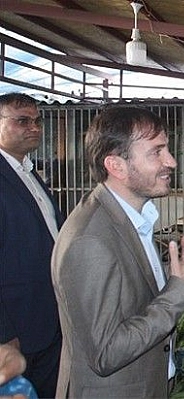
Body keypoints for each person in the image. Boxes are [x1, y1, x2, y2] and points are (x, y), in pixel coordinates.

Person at [51, 106, 184, 398]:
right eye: (156, 152)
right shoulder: (90, 241)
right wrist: (179, 292)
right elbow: (106, 353)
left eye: (167, 150)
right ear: (117, 165)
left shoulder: (133, 219)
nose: (170, 161)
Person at [0, 93, 64, 398]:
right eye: (22, 121)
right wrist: (3, 334)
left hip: (48, 318)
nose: (34, 127)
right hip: (18, 330)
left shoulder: (27, 170)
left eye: (37, 121)